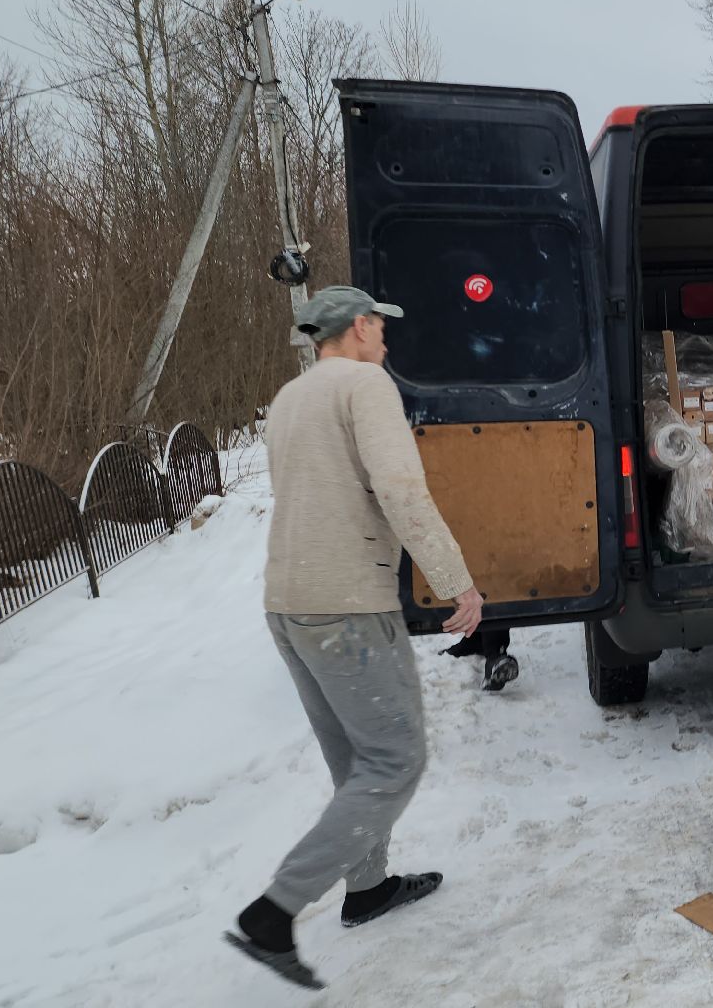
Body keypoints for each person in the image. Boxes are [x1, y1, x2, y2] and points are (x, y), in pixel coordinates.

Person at [227, 285, 485, 988]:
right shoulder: (367, 386)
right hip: (345, 606)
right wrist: (457, 580)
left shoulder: (291, 396)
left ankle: (366, 887)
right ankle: (275, 911)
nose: (387, 341)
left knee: (355, 760)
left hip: (289, 603)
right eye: (381, 328)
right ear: (362, 327)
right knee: (395, 760)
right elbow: (401, 488)